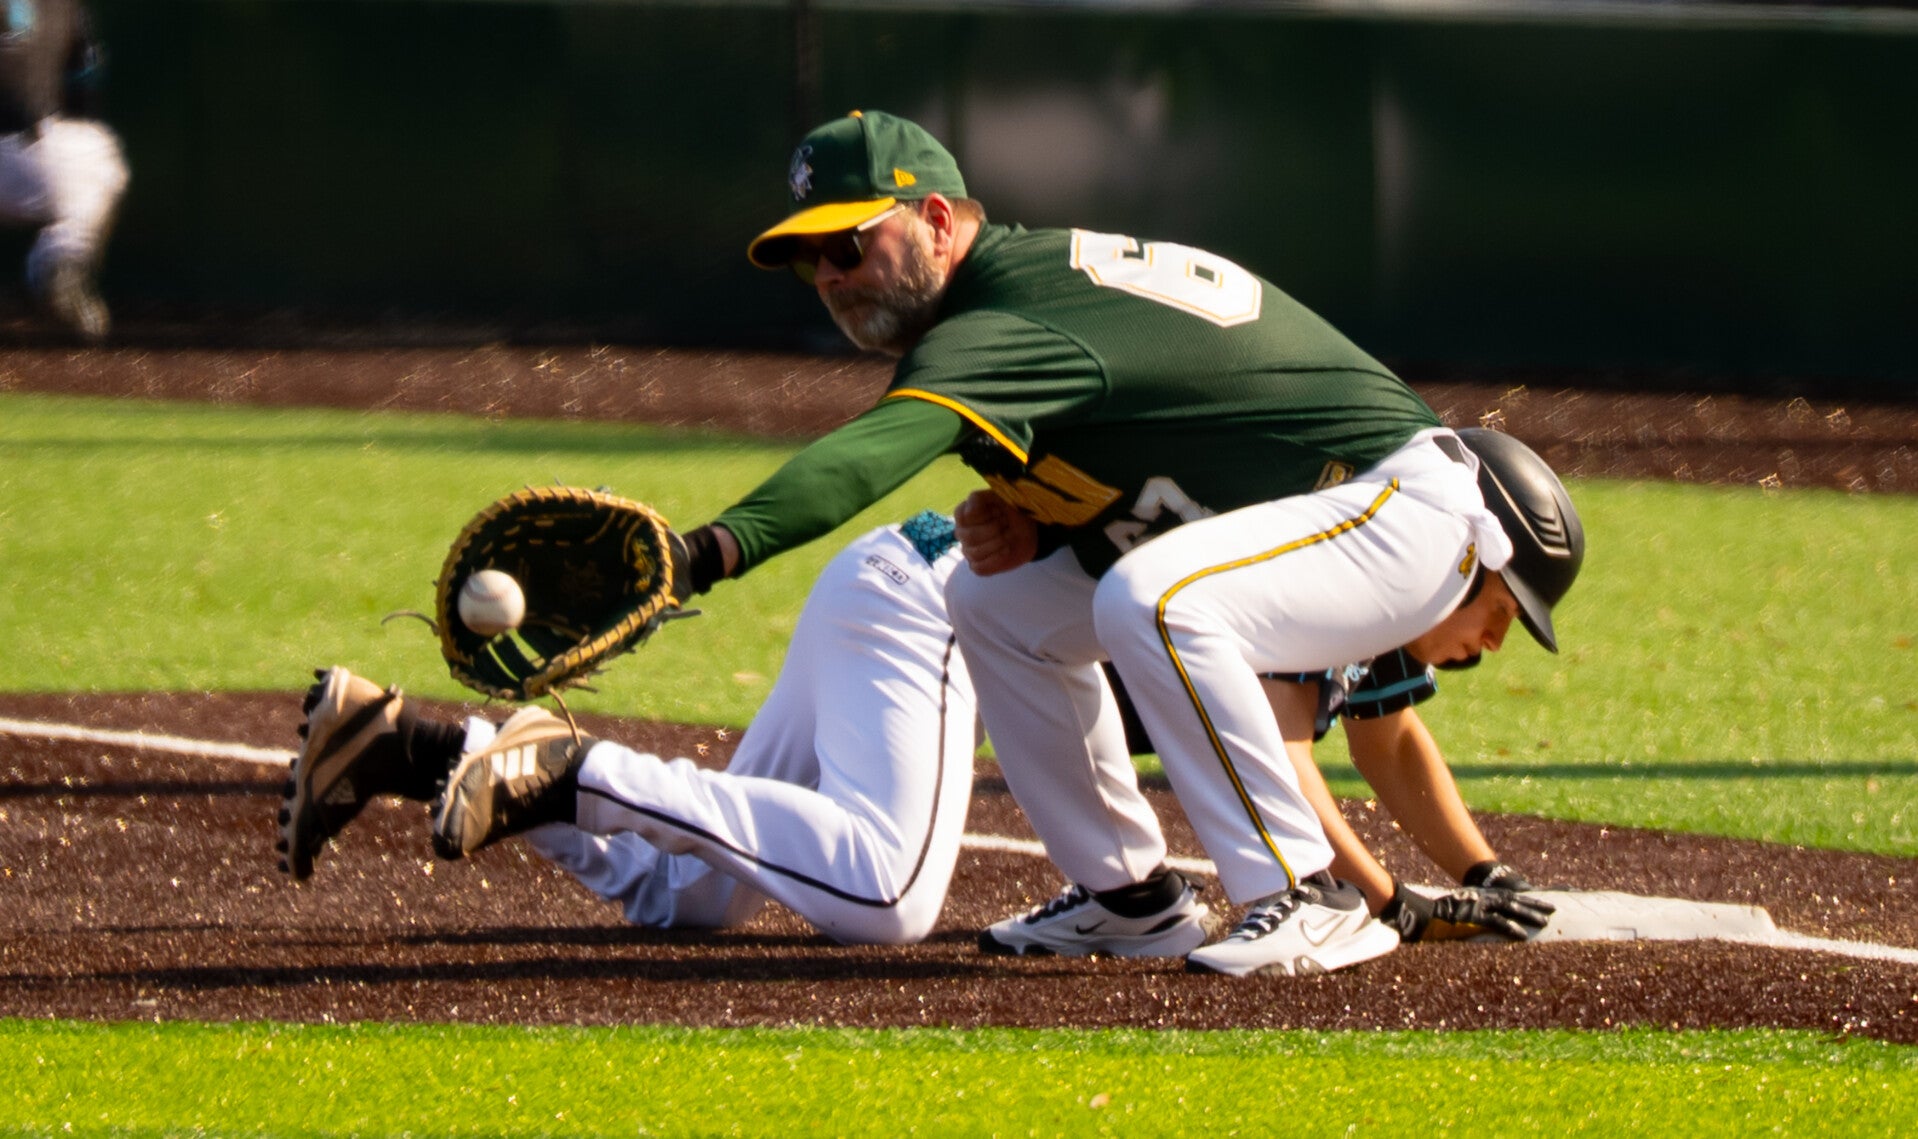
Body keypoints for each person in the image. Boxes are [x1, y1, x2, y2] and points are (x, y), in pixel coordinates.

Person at [381, 108, 1581, 977]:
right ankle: (1130, 894)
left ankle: (1307, 894)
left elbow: (869, 454)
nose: (828, 274)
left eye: (850, 242)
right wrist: (1054, 513)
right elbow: (1181, 463)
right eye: (807, 258)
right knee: (1000, 605)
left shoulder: (1006, 314)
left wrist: (705, 552)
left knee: (1158, 599)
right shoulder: (1019, 307)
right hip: (1349, 507)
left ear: (938, 220)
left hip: (1425, 505)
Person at [279, 513, 981, 945]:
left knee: (693, 888)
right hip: (940, 597)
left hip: (889, 578)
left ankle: (409, 749)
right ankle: (572, 768)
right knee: (888, 893)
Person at [0, 0, 126, 341]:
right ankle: (58, 262)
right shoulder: (63, 7)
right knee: (98, 153)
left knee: (93, 149)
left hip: (21, 155)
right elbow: (86, 81)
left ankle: (58, 268)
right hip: (24, 153)